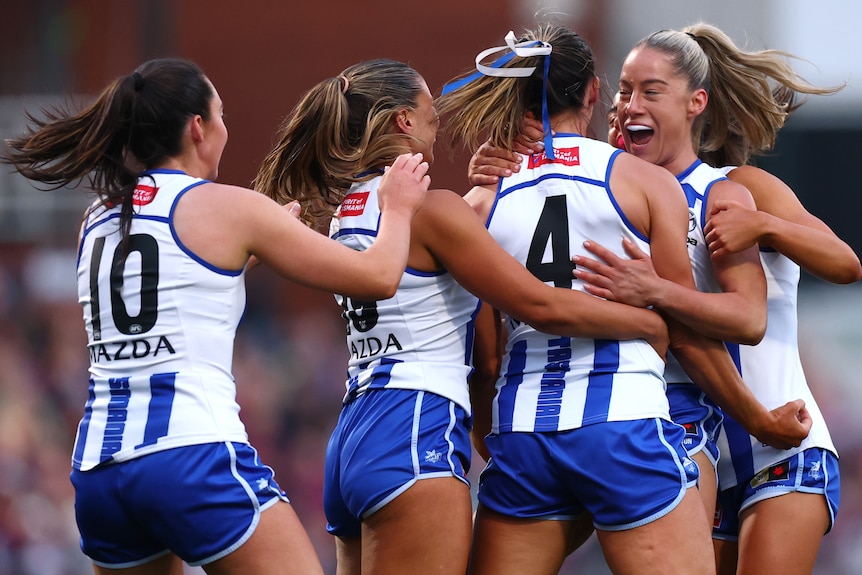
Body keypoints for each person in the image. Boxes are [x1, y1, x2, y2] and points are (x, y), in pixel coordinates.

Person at [1, 57, 432, 575]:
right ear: (197, 128)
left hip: (99, 469)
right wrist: (400, 206)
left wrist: (249, 247)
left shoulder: (97, 216)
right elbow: (379, 276)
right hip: (190, 453)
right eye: (222, 115)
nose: (226, 129)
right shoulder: (227, 207)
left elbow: (168, 291)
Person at [252, 58, 674, 575]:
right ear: (403, 120)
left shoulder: (345, 208)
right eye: (429, 103)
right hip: (413, 428)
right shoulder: (430, 210)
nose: (439, 114)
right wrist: (646, 320)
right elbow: (537, 302)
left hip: (353, 436)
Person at [435, 24, 810, 575]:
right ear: (593, 92)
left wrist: (493, 441)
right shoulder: (646, 184)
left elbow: (484, 356)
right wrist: (757, 417)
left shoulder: (480, 202)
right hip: (624, 425)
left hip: (523, 433)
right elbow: (681, 325)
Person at [569, 24, 860, 575]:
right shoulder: (619, 203)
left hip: (783, 442)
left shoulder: (737, 185)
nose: (630, 104)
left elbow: (845, 264)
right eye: (624, 91)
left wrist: (765, 225)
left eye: (650, 92)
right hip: (693, 450)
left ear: (695, 102)